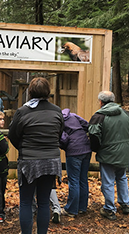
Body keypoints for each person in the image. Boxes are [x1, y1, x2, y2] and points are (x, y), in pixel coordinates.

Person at [8, 77, 64, 234]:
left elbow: (13, 135)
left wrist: (23, 148)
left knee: (26, 201)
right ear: (48, 92)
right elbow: (59, 133)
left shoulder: (22, 112)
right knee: (44, 202)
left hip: (29, 161)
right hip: (51, 160)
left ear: (30, 92)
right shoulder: (57, 111)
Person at [89, 91, 129, 220]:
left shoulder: (99, 116)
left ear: (101, 102)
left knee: (108, 181)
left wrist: (97, 149)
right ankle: (125, 204)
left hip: (107, 154)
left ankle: (109, 209)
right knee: (122, 177)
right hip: (124, 153)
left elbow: (94, 135)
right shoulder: (125, 114)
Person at [60, 108, 91, 217]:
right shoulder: (73, 115)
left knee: (73, 181)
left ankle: (71, 209)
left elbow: (63, 139)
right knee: (83, 179)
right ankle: (82, 207)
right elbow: (87, 125)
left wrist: (64, 146)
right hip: (86, 148)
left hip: (74, 151)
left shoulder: (59, 121)